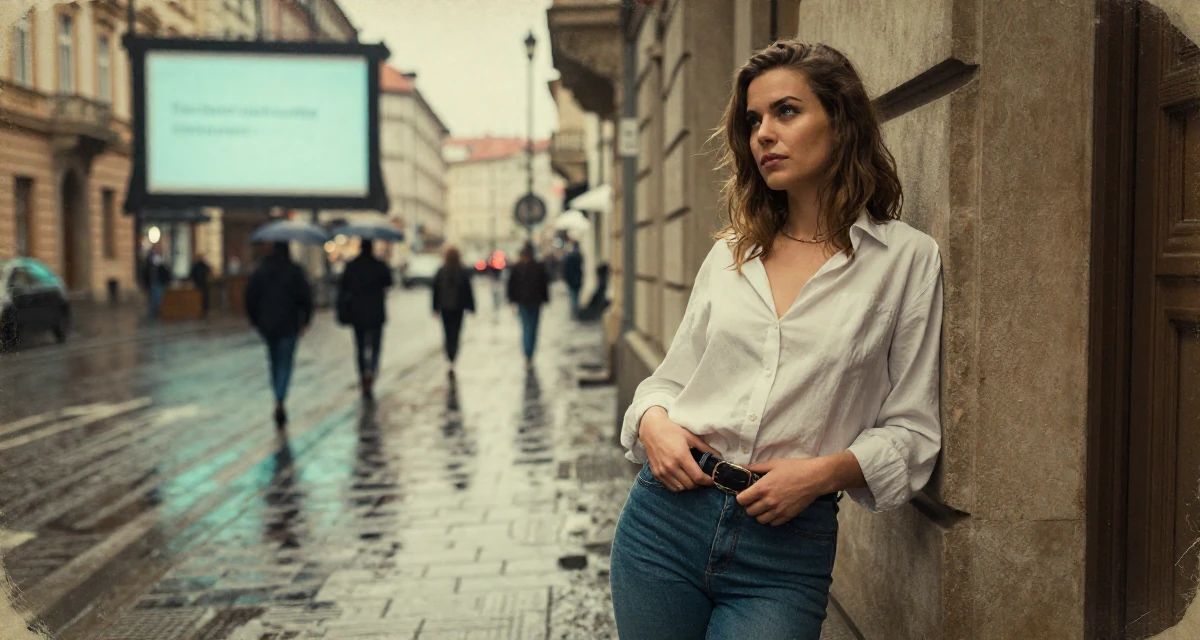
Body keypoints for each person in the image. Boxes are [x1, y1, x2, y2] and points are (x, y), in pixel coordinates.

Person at [609, 41, 944, 639]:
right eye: (753, 120)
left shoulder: (906, 260)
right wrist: (653, 424)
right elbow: (669, 381)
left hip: (785, 549)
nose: (764, 133)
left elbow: (914, 431)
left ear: (839, 122)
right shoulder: (731, 256)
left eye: (786, 111)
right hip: (664, 524)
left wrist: (821, 475)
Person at [245, 241, 313, 429]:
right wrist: (305, 320)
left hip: (267, 324)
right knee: (285, 362)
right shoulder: (295, 271)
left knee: (274, 361)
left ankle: (277, 393)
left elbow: (250, 295)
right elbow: (306, 297)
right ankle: (279, 398)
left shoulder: (261, 270)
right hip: (289, 324)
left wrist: (254, 318)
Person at [337, 239, 394, 399]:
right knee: (375, 346)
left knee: (361, 346)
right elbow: (389, 282)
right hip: (376, 312)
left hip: (358, 313)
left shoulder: (352, 265)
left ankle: (363, 373)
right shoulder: (379, 265)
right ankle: (372, 370)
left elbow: (344, 287)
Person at [431, 246, 475, 376]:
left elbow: (435, 292)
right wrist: (471, 307)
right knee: (456, 332)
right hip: (458, 307)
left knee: (447, 332)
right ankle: (453, 355)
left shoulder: (441, 271)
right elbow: (468, 291)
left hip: (445, 308)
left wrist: (435, 308)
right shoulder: (461, 271)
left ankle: (449, 355)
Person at [505, 243, 549, 369]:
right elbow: (544, 285)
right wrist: (545, 299)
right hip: (534, 302)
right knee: (533, 328)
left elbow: (511, 286)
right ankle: (530, 353)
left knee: (526, 327)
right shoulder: (538, 266)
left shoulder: (517, 267)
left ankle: (527, 354)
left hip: (524, 302)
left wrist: (512, 300)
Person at [141, 246, 171, 321]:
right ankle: (153, 314)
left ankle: (155, 313)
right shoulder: (149, 262)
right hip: (152, 283)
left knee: (158, 298)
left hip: (159, 283)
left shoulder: (162, 262)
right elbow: (146, 273)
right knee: (153, 299)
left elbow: (165, 272)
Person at [562, 241, 584, 318]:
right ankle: (575, 313)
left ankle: (574, 313)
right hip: (574, 281)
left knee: (574, 298)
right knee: (574, 298)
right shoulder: (575, 257)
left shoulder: (575, 256)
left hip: (574, 281)